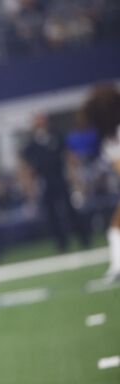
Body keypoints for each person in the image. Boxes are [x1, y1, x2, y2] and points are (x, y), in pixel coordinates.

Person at [19, 113, 92, 252]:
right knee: (51, 214)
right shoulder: (32, 144)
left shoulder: (57, 136)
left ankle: (83, 238)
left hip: (60, 178)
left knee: (70, 210)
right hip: (44, 182)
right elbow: (27, 166)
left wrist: (75, 178)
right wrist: (29, 188)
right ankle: (61, 243)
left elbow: (69, 156)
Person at [81, 83, 120, 282]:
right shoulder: (109, 138)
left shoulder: (114, 137)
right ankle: (117, 265)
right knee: (116, 226)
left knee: (116, 226)